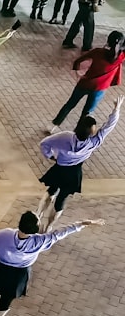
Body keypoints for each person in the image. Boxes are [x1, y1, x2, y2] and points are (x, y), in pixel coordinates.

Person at [0, 212, 104, 316]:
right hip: (20, 273)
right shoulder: (40, 241)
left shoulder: (5, 234)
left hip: (1, 268)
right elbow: (61, 233)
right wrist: (83, 223)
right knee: (6, 301)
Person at [37, 98, 121, 232]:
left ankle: (38, 216)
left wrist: (50, 156)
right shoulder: (94, 142)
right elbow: (108, 127)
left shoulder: (65, 136)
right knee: (61, 201)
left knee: (51, 191)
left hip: (60, 168)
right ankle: (48, 227)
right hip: (74, 173)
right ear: (91, 132)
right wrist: (116, 110)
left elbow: (44, 143)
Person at [49, 31, 125, 132]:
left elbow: (78, 61)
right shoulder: (121, 57)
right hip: (100, 89)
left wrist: (78, 74)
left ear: (108, 41)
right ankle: (77, 133)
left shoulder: (98, 52)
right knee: (87, 112)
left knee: (70, 104)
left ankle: (54, 125)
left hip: (85, 83)